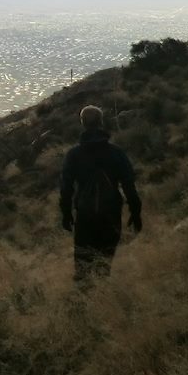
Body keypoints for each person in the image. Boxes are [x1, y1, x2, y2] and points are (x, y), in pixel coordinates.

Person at [59, 105, 142, 278]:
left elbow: (66, 187)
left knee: (82, 267)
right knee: (104, 264)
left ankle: (86, 299)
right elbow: (128, 184)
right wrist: (135, 211)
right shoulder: (116, 153)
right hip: (110, 212)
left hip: (85, 214)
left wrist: (66, 213)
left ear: (83, 123)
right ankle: (103, 298)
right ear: (101, 122)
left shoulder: (74, 155)